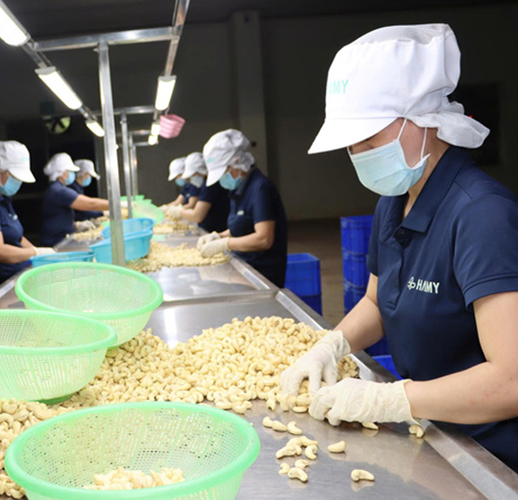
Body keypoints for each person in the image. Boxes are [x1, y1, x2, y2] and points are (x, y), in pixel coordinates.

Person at [280, 24, 518, 471]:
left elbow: (511, 381)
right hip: (432, 437)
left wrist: (388, 400)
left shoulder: (483, 216)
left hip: (491, 457)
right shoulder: (392, 203)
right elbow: (377, 299)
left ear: (424, 119)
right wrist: (332, 346)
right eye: (352, 142)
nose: (358, 152)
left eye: (370, 138)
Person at [198, 129, 288, 287]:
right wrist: (218, 236)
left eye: (224, 173)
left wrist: (225, 244)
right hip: (244, 268)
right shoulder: (239, 189)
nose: (222, 180)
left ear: (237, 163)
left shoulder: (260, 189)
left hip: (262, 275)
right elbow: (242, 226)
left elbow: (264, 238)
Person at [0, 141, 53, 300]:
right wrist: (34, 252)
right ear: (0, 171)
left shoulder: (2, 199)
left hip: (14, 278)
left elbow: (16, 236)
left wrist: (41, 255)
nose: (18, 183)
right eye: (14, 177)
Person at [40, 153, 111, 247]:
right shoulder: (59, 191)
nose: (72, 174)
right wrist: (116, 204)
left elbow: (58, 217)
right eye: (70, 171)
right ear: (63, 172)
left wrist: (75, 225)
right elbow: (90, 204)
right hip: (56, 242)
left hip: (59, 238)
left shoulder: (56, 189)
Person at [167, 151, 230, 234]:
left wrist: (179, 212)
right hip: (210, 228)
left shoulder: (209, 185)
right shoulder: (204, 184)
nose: (191, 179)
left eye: (193, 175)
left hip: (216, 229)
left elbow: (197, 216)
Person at [71, 159, 104, 224]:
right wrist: (102, 212)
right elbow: (83, 208)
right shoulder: (72, 189)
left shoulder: (79, 187)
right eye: (89, 175)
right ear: (83, 174)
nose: (90, 178)